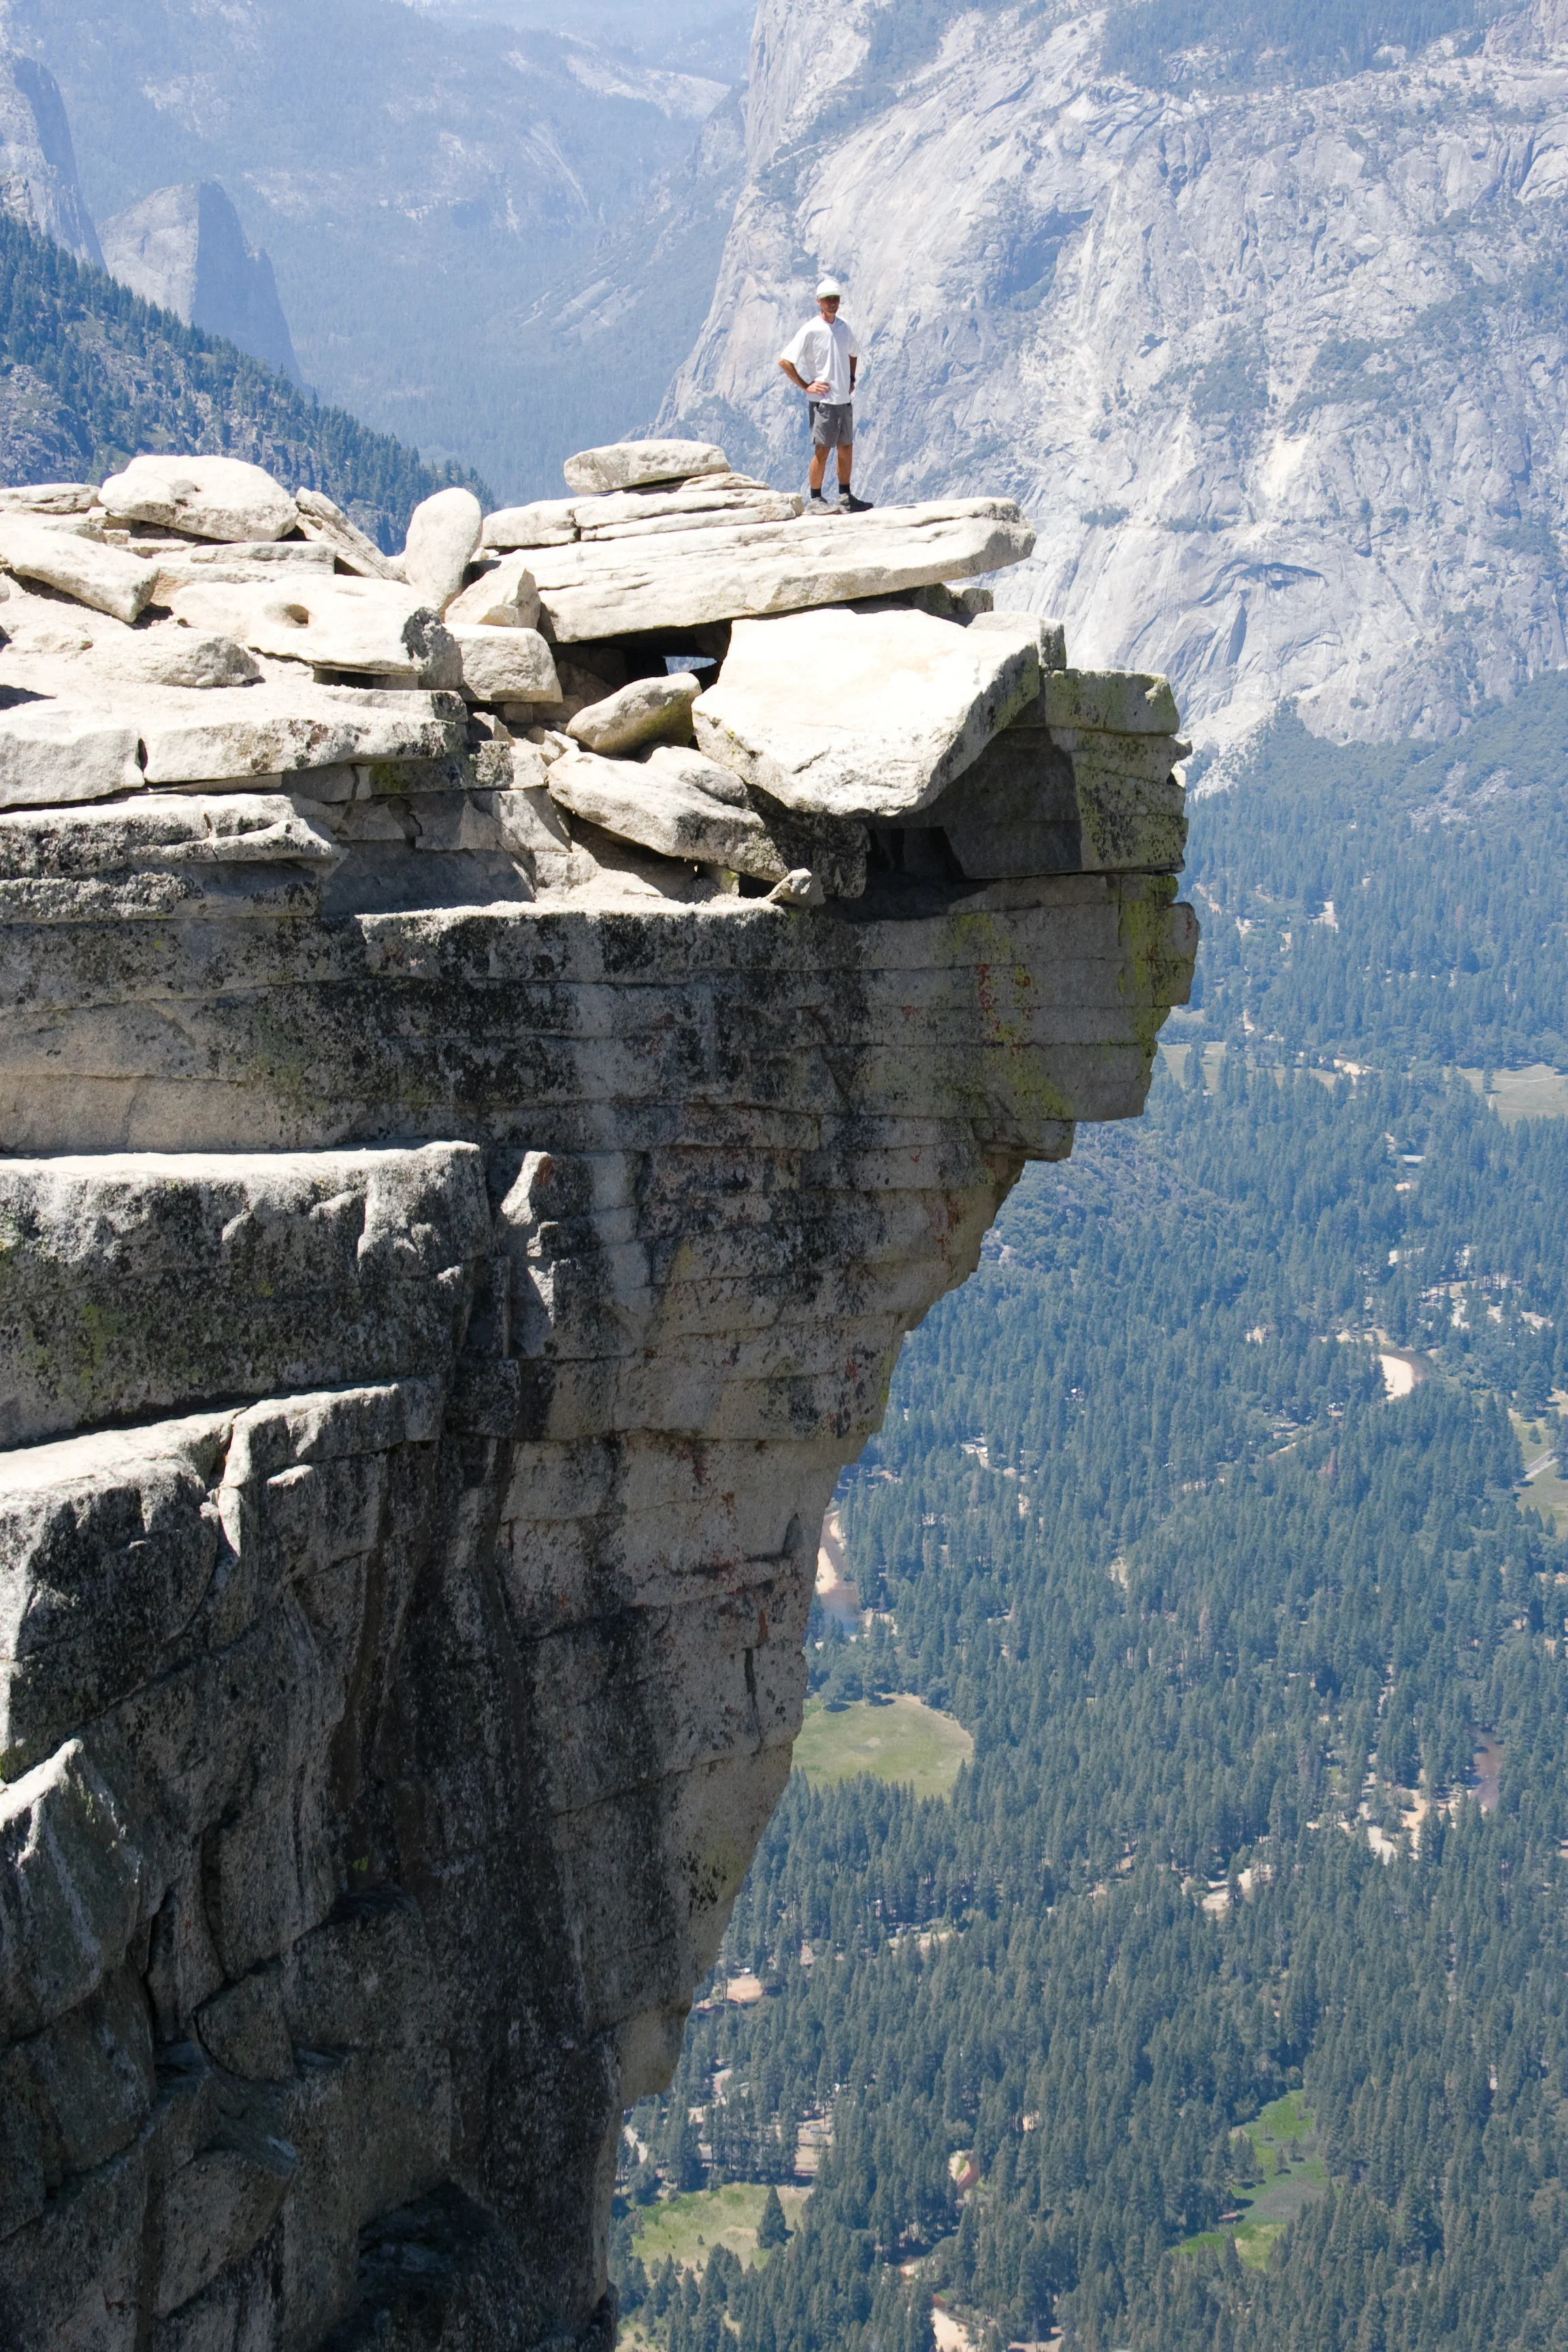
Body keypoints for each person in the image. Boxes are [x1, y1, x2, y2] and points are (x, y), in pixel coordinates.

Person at [777, 278, 873, 514]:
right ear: (819, 302)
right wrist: (806, 386)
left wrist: (851, 379)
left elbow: (854, 352)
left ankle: (845, 497)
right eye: (828, 299)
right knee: (822, 449)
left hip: (843, 399)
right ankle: (816, 500)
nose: (832, 303)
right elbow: (785, 360)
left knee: (846, 448)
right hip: (823, 403)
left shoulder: (843, 327)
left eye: (836, 299)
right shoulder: (811, 329)